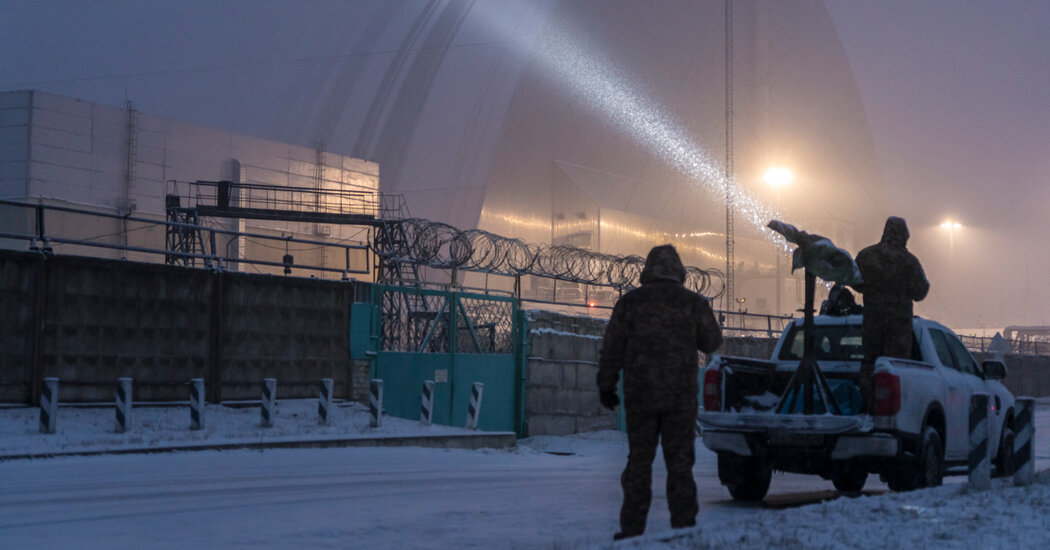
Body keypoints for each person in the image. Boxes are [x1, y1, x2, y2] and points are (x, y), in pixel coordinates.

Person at [596, 244, 723, 540]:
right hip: (680, 399)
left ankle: (632, 530)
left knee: (638, 463)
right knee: (680, 465)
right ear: (679, 270)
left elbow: (612, 347)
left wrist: (606, 384)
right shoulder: (693, 303)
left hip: (641, 396)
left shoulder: (630, 303)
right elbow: (712, 342)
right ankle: (684, 528)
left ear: (648, 269)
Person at [853, 217, 930, 405]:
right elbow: (920, 292)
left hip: (871, 327)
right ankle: (890, 410)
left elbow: (854, 281)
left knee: (870, 367)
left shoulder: (866, 256)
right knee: (896, 373)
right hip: (898, 332)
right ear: (904, 235)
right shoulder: (909, 262)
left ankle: (867, 405)